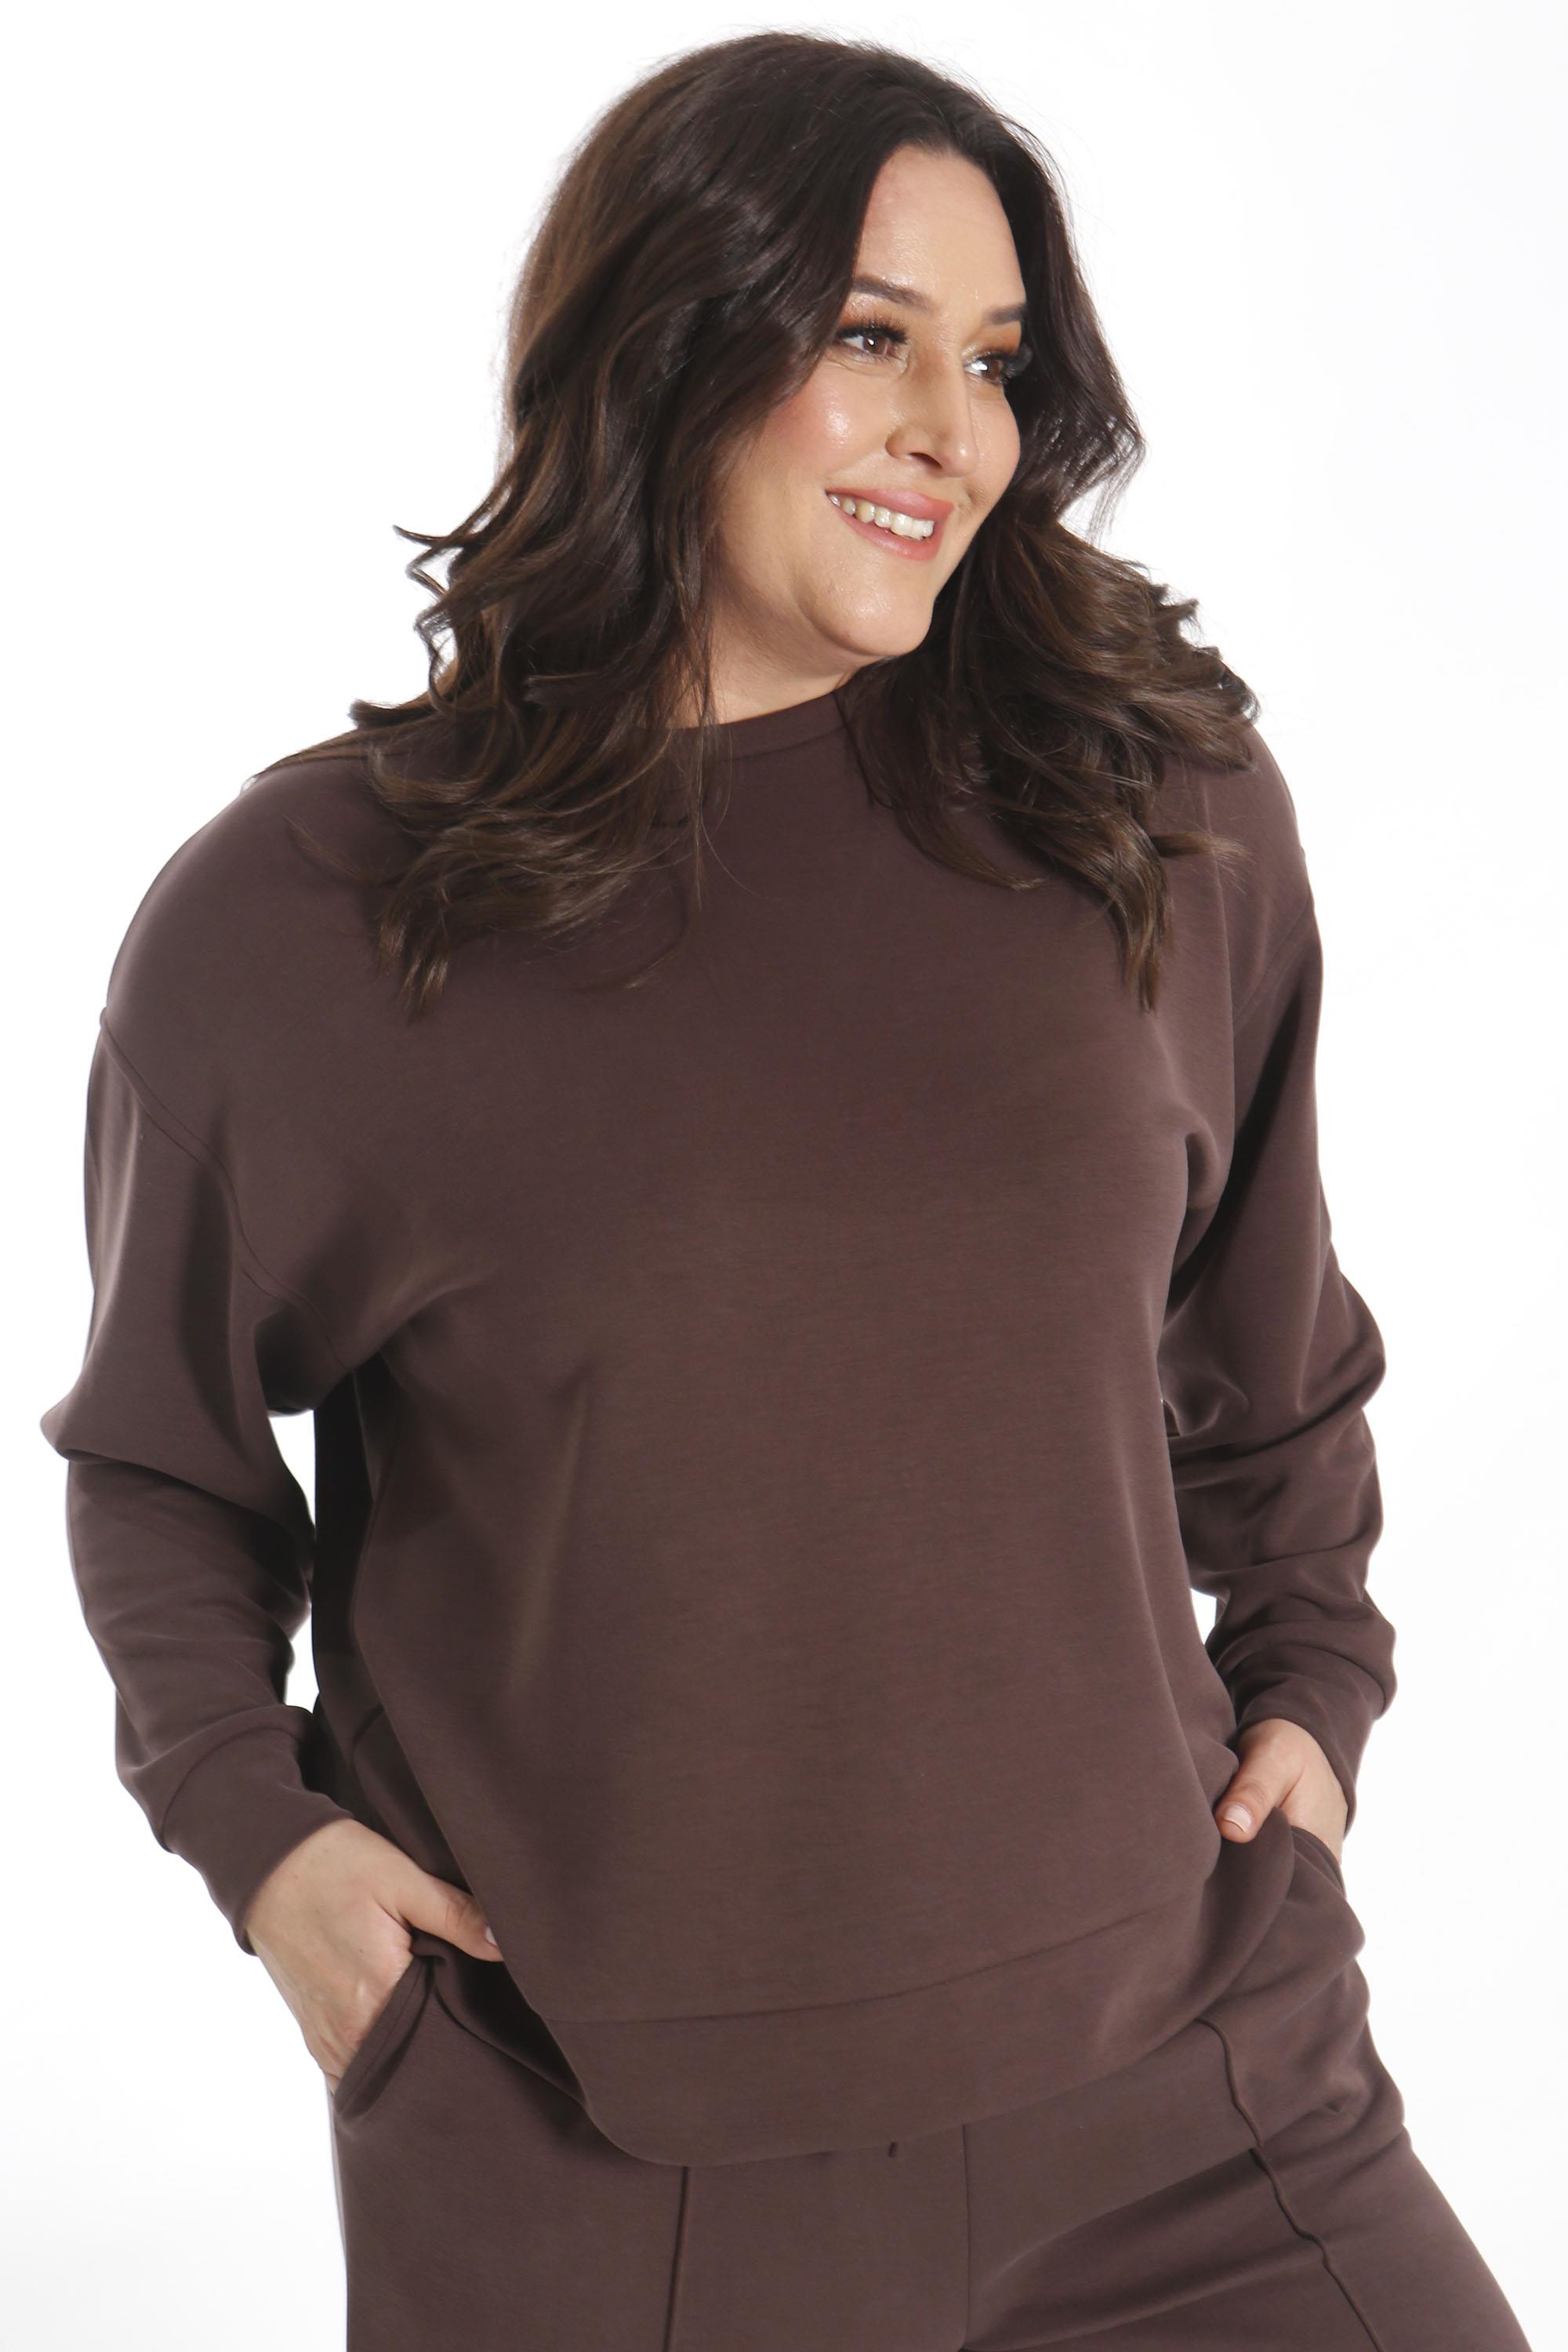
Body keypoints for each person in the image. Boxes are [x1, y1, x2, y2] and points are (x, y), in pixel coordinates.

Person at [39, 29, 1533, 2352]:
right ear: (662, 351)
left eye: (998, 361)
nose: (958, 432)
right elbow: (162, 1462)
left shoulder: (1153, 805)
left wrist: (1318, 1688)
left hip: (1208, 2099)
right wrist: (267, 1838)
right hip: (609, 2167)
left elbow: (1273, 1349)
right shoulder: (314, 922)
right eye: (869, 338)